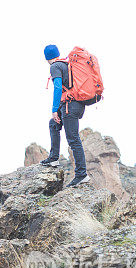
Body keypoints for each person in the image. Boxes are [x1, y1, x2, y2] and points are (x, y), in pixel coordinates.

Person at [39, 44, 89, 187]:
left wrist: (54, 109)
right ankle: (54, 158)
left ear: (47, 57)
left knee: (73, 139)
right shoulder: (67, 65)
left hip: (69, 106)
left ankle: (81, 175)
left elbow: (57, 87)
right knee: (53, 124)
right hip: (75, 105)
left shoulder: (55, 66)